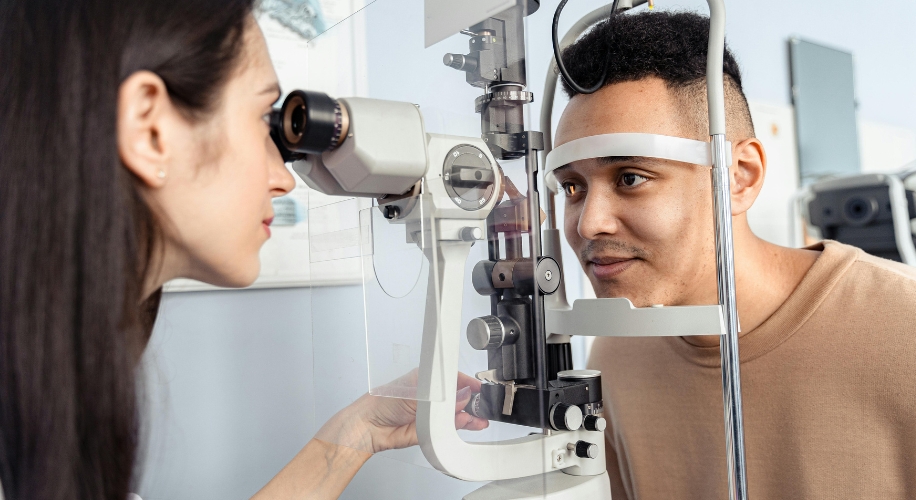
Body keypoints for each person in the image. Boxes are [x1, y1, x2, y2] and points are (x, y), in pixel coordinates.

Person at [0, 1, 487, 499]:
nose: (282, 180)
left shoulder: (55, 386)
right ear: (149, 130)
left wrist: (358, 431)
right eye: (261, 120)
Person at [551, 10, 916, 500]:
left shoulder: (903, 330)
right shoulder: (617, 354)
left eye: (630, 177)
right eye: (572, 186)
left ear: (739, 176)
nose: (588, 222)